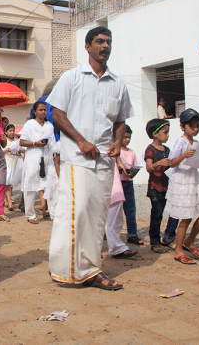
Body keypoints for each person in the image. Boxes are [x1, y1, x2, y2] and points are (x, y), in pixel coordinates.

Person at [46, 26, 133, 290]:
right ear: (87, 46)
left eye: (108, 41)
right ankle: (65, 270)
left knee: (97, 217)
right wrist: (81, 141)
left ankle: (92, 269)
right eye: (99, 41)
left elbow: (120, 119)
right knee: (76, 212)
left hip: (104, 162)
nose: (104, 46)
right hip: (76, 159)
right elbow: (57, 113)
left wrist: (118, 142)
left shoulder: (118, 83)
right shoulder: (72, 77)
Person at [166, 109, 199, 265]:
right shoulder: (181, 142)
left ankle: (189, 241)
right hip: (182, 181)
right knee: (186, 216)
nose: (195, 129)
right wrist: (184, 155)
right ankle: (178, 250)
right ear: (182, 126)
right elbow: (172, 162)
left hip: (193, 180)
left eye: (197, 125)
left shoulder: (197, 143)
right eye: (192, 125)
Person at [144, 118, 179, 254]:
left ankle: (169, 237)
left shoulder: (167, 149)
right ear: (155, 134)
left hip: (168, 186)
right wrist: (159, 163)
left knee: (174, 212)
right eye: (165, 132)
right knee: (157, 215)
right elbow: (148, 168)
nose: (168, 135)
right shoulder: (150, 150)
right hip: (156, 187)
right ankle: (154, 241)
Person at [19, 101, 57, 224]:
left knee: (50, 185)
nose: (43, 112)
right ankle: (30, 215)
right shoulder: (29, 124)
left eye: (45, 110)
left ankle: (53, 212)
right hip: (32, 158)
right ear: (35, 112)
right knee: (30, 186)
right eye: (40, 110)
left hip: (47, 159)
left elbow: (53, 144)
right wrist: (35, 143)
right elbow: (22, 142)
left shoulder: (49, 126)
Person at [105, 161, 138, 259]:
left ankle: (116, 248)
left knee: (115, 218)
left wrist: (119, 162)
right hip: (105, 180)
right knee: (111, 219)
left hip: (113, 182)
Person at [119, 126, 142, 245]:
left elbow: (135, 167)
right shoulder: (117, 151)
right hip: (118, 183)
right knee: (115, 210)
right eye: (125, 137)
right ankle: (108, 233)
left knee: (130, 209)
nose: (127, 140)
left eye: (129, 137)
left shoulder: (131, 152)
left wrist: (132, 172)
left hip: (128, 183)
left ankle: (132, 234)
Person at [2, 124, 23, 211]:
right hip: (7, 162)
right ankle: (9, 202)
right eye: (10, 131)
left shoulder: (16, 140)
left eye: (13, 131)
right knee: (8, 182)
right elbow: (0, 151)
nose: (12, 132)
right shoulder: (4, 140)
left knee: (12, 181)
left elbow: (19, 151)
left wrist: (16, 153)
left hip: (15, 162)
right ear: (6, 132)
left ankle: (7, 200)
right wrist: (5, 151)